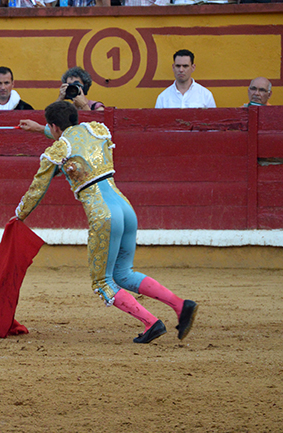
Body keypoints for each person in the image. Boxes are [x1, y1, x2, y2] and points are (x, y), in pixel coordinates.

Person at [14, 101, 198, 344]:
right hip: (125, 208)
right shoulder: (97, 130)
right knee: (123, 273)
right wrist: (41, 129)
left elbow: (37, 189)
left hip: (103, 215)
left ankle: (151, 322)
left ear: (54, 126)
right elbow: (73, 137)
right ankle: (180, 305)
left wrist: (19, 215)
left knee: (103, 281)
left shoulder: (56, 151)